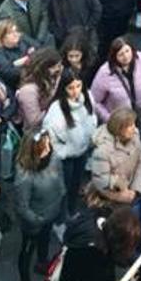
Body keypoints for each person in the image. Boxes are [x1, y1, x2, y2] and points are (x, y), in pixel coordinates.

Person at [14, 128, 67, 281]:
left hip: (51, 214)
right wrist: (38, 220)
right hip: (34, 222)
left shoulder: (53, 159)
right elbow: (22, 207)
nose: (49, 149)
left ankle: (41, 263)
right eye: (45, 147)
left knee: (44, 241)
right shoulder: (25, 176)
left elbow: (60, 180)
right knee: (27, 251)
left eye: (49, 144)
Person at [42, 67, 98, 208]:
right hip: (67, 158)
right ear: (63, 88)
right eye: (70, 88)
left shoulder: (88, 98)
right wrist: (64, 153)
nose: (76, 91)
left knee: (76, 183)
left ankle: (72, 209)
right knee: (64, 187)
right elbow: (50, 138)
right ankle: (63, 214)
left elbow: (92, 118)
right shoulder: (56, 110)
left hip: (83, 150)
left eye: (78, 86)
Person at [89, 107, 141, 205]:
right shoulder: (102, 151)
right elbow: (100, 181)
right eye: (129, 125)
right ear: (118, 129)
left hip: (131, 191)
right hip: (110, 197)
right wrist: (121, 192)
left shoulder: (135, 136)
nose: (134, 128)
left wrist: (135, 188)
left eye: (133, 124)